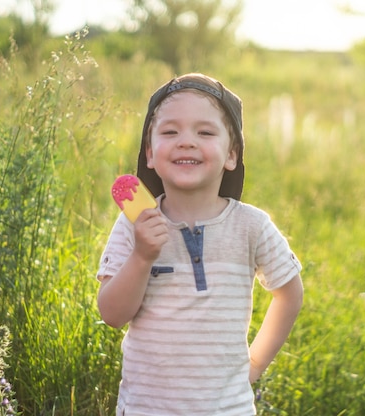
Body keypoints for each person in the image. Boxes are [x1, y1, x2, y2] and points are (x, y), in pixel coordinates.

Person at [96, 73, 303, 416]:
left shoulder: (251, 226)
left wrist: (253, 365)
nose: (186, 142)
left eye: (205, 132)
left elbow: (290, 293)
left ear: (231, 154)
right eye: (169, 132)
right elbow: (112, 315)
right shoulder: (134, 224)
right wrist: (142, 255)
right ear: (150, 153)